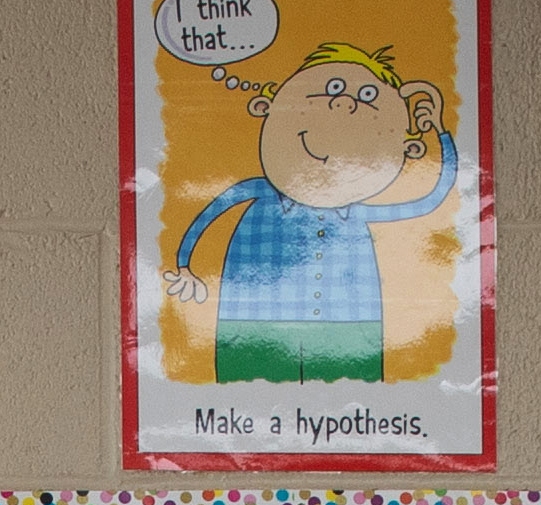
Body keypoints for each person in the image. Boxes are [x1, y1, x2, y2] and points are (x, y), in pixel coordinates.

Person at [166, 41, 460, 385]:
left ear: (408, 148)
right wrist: (185, 265)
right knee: (246, 393)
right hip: (253, 323)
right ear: (267, 107)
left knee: (353, 404)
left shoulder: (354, 213)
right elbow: (210, 213)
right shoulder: (258, 192)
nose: (344, 103)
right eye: (333, 89)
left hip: (348, 326)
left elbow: (431, 198)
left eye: (366, 98)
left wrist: (440, 131)